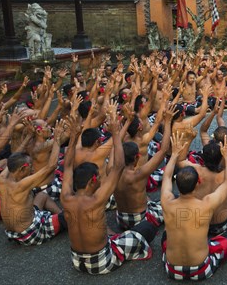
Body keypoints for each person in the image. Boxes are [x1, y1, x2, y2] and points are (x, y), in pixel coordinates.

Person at [61, 107, 158, 274]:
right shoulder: (97, 199)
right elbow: (119, 166)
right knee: (148, 229)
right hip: (101, 262)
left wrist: (74, 137)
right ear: (92, 181)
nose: (100, 179)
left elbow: (68, 165)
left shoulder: (65, 197)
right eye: (98, 177)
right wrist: (114, 133)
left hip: (77, 262)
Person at [161, 133, 227, 280]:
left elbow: (167, 176)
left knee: (165, 235)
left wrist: (174, 154)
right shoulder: (206, 204)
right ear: (197, 183)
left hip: (171, 270)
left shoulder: (166, 201)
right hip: (201, 270)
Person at [0, 119, 67, 245]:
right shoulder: (22, 185)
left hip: (12, 233)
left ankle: (60, 216)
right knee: (73, 215)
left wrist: (28, 136)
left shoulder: (2, 178)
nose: (33, 168)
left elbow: (16, 154)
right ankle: (63, 219)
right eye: (30, 166)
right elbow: (51, 166)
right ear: (22, 168)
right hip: (29, 233)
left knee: (42, 195)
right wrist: (57, 138)